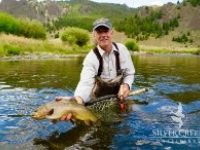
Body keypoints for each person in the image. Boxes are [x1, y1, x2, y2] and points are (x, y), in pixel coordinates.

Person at [58, 18, 135, 120]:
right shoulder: (91, 59)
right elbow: (85, 84)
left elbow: (129, 73)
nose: (103, 35)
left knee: (138, 114)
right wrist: (78, 100)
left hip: (120, 96)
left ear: (111, 32)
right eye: (99, 31)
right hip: (99, 100)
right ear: (94, 35)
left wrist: (126, 85)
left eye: (105, 31)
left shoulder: (122, 50)